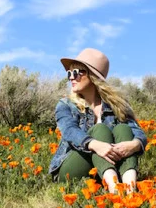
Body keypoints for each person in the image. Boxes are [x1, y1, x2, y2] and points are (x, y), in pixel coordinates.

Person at [48, 47, 148, 193]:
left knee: (124, 129)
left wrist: (134, 145)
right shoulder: (65, 105)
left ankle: (130, 190)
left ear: (92, 76)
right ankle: (115, 191)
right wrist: (95, 145)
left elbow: (138, 132)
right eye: (69, 73)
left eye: (75, 73)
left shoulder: (116, 105)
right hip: (72, 168)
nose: (71, 77)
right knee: (100, 129)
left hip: (102, 170)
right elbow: (69, 131)